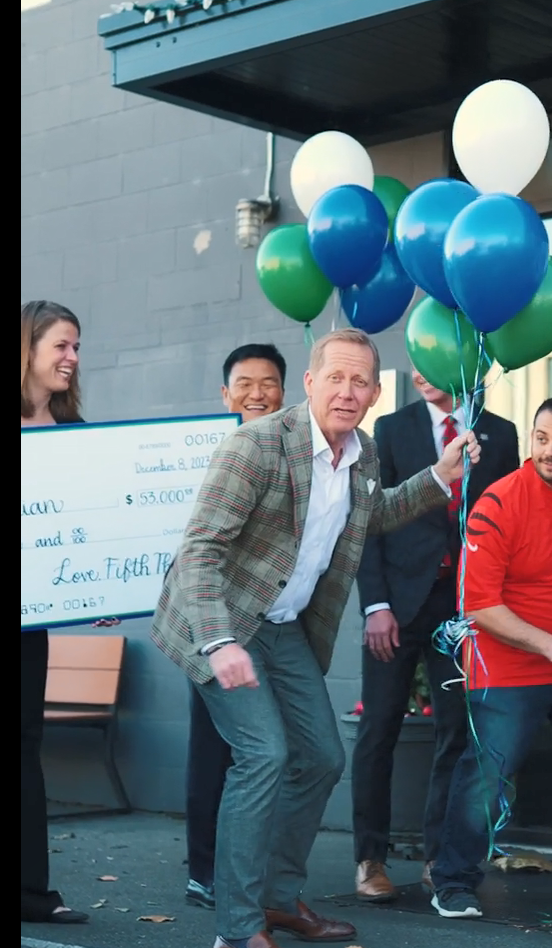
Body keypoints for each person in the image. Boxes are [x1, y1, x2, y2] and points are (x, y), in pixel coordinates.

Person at [151, 328, 481, 948]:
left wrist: (438, 477)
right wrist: (220, 643)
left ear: (377, 393)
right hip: (221, 621)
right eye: (336, 377)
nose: (348, 391)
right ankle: (238, 928)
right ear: (309, 382)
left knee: (324, 757)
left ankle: (278, 899)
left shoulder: (364, 453)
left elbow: (369, 515)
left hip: (284, 627)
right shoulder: (257, 445)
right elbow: (199, 551)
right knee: (264, 755)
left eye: (361, 382)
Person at [430, 396, 552, 920]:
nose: (550, 451)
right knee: (486, 781)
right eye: (541, 438)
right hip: (510, 664)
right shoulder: (499, 502)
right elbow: (478, 605)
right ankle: (452, 881)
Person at [352, 371, 520, 902]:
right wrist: (375, 605)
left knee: (456, 730)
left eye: (432, 358)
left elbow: (508, 521)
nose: (420, 372)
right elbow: (368, 520)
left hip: (465, 608)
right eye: (415, 362)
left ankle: (438, 856)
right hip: (397, 608)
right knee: (378, 728)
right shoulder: (390, 428)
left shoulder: (501, 433)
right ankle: (369, 859)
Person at [185, 343, 287, 910]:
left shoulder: (293, 453)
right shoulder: (203, 452)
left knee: (266, 753)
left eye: (268, 382)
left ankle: (247, 873)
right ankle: (205, 870)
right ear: (225, 395)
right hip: (213, 625)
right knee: (213, 751)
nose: (256, 393)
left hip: (273, 626)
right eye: (244, 383)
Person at [21, 301, 90, 925]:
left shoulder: (78, 436)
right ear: (29, 348)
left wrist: (96, 591)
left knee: (25, 750)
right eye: (61, 346)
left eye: (76, 347)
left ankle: (32, 894)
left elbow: (89, 533)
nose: (72, 358)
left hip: (29, 626)